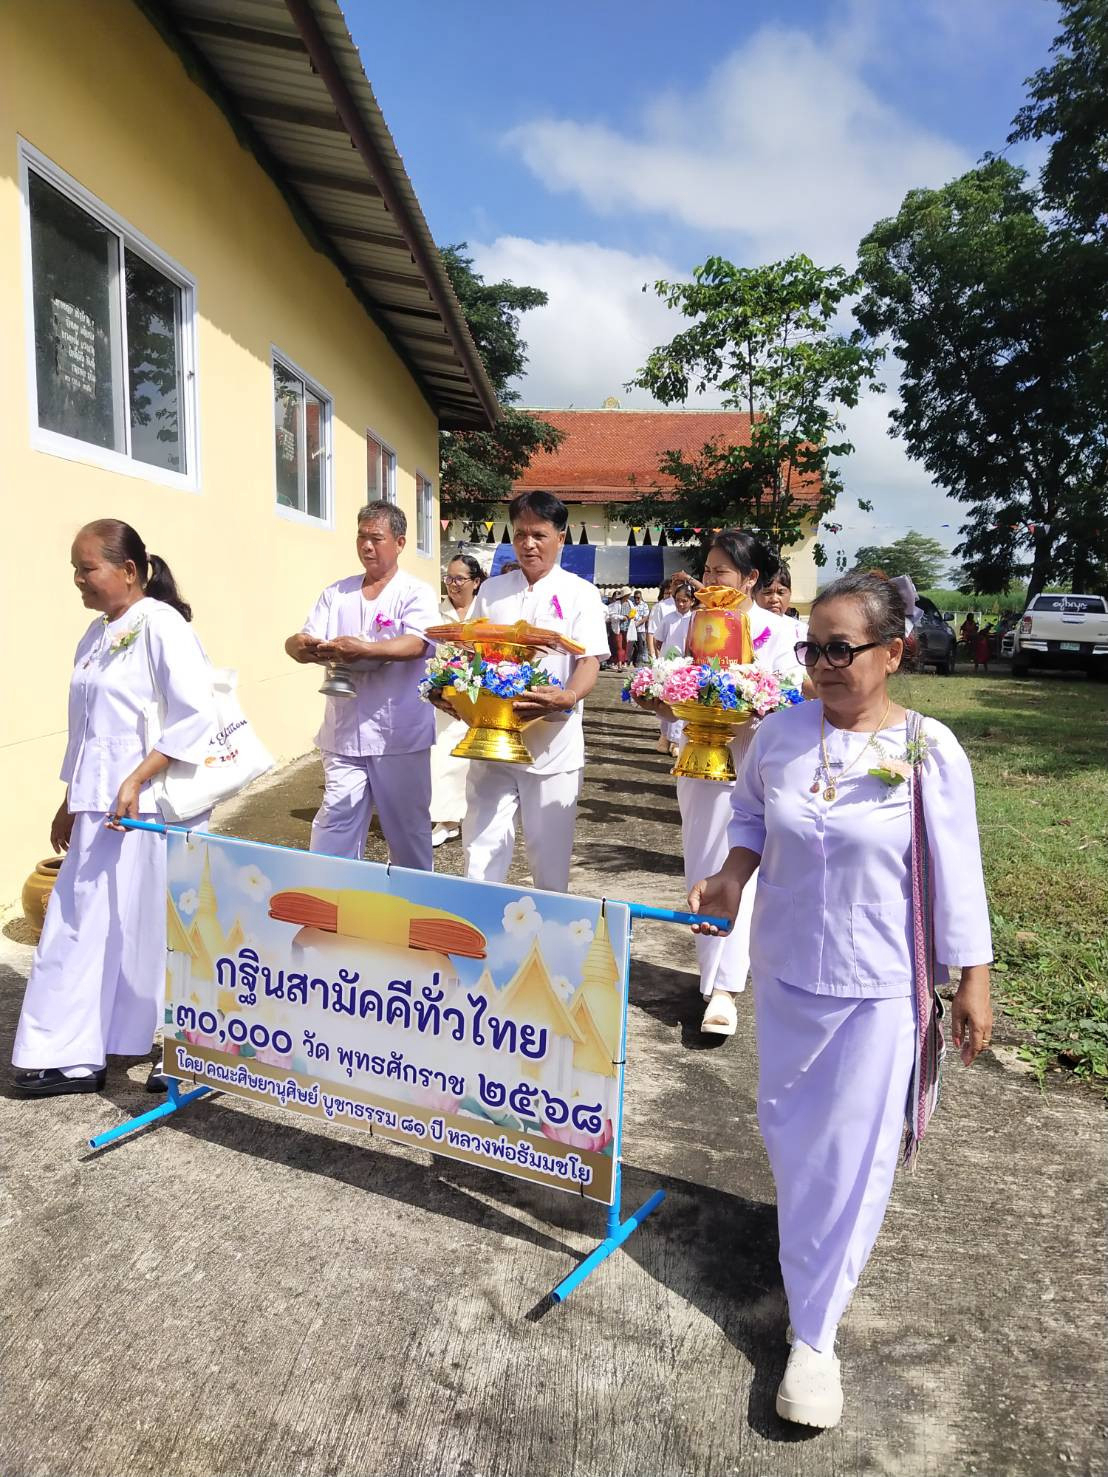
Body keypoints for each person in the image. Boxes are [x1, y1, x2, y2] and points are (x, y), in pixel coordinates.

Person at [689, 571, 993, 1429]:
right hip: (787, 974)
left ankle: (813, 1338)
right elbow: (749, 818)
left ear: (892, 652)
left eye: (840, 648)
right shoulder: (781, 735)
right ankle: (809, 1256)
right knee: (793, 1140)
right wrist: (728, 875)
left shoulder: (931, 747)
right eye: (811, 647)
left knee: (854, 1156)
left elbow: (959, 867)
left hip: (880, 985)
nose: (820, 663)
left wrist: (973, 976)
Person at [12, 520, 215, 1098]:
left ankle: (180, 1046)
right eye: (75, 570)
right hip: (101, 806)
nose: (78, 580)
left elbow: (195, 712)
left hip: (151, 807)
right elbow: (86, 728)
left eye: (87, 568)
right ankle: (72, 1051)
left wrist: (138, 776)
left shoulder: (163, 625)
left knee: (159, 927)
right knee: (84, 925)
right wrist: (67, 799)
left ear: (129, 571)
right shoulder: (95, 634)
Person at [651, 532, 802, 1035]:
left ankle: (728, 986)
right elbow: (665, 682)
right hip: (700, 758)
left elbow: (786, 698)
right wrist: (673, 705)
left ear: (751, 578)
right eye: (707, 570)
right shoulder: (690, 624)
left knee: (749, 864)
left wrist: (746, 692)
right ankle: (712, 980)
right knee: (705, 859)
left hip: (757, 759)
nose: (710, 581)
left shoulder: (776, 633)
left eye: (722, 573)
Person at [459, 490, 609, 893]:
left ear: (561, 537)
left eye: (539, 534)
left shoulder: (581, 593)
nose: (528, 544)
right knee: (481, 849)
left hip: (551, 743)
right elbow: (472, 650)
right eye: (520, 533)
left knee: (549, 859)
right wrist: (454, 691)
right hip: (493, 739)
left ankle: (550, 945)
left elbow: (590, 660)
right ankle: (480, 934)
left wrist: (569, 697)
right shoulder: (492, 590)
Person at [285, 501, 439, 872]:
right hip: (344, 730)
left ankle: (415, 904)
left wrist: (367, 649)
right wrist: (300, 647)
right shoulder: (337, 593)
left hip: (397, 734)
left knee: (406, 830)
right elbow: (301, 639)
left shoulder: (414, 593)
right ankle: (328, 897)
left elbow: (418, 643)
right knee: (335, 820)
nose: (367, 546)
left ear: (400, 543)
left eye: (376, 538)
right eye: (361, 538)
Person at [429, 554, 485, 847]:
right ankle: (446, 819)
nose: (452, 584)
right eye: (449, 578)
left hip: (482, 694)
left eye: (459, 578)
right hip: (448, 697)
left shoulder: (487, 612)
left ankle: (469, 817)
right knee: (443, 755)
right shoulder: (436, 614)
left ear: (476, 582)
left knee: (476, 762)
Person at [756, 560, 808, 645]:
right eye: (767, 592)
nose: (774, 599)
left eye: (781, 593)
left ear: (790, 593)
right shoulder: (745, 629)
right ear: (754, 594)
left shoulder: (801, 631)